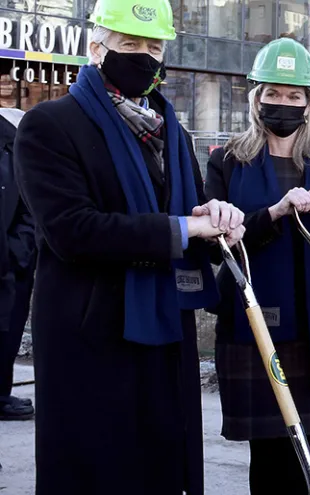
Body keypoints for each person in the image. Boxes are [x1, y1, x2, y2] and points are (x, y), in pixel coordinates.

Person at [13, 0, 245, 492]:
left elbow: (194, 213)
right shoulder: (49, 125)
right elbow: (72, 231)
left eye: (153, 46)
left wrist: (218, 223)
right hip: (92, 337)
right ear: (97, 47)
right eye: (129, 44)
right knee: (97, 468)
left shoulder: (171, 130)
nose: (144, 56)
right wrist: (183, 229)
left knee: (163, 466)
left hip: (165, 333)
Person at [204, 37, 310, 493]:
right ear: (257, 98)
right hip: (253, 328)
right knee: (267, 456)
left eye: (294, 96)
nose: (283, 103)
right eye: (273, 93)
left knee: (301, 452)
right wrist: (274, 213)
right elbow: (215, 248)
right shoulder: (228, 161)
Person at [0, 108, 35, 424]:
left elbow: (27, 207)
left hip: (9, 266)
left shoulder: (13, 137)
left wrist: (16, 254)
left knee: (8, 331)